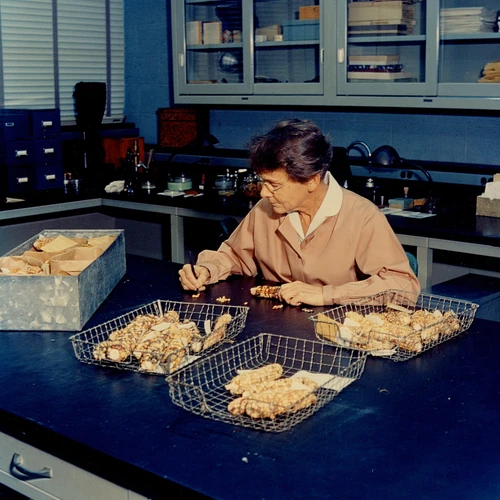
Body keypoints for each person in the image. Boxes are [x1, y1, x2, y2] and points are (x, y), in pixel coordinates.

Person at [179, 118, 420, 306]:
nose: (263, 193)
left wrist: (325, 295)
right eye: (262, 181)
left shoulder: (362, 216)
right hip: (279, 325)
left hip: (341, 335)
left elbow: (402, 286)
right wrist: (207, 270)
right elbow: (234, 255)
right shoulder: (266, 210)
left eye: (274, 184)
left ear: (311, 181)